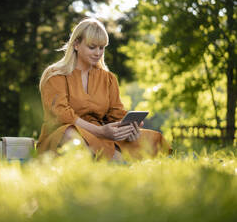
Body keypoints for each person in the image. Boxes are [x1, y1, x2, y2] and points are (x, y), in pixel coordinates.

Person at [37, 17, 171, 161]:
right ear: (76, 44)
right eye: (92, 47)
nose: (98, 53)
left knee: (153, 138)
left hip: (102, 135)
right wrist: (100, 131)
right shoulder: (56, 75)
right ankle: (116, 161)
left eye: (102, 48)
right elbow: (62, 115)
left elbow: (115, 113)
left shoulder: (108, 78)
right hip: (61, 134)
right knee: (71, 133)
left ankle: (119, 160)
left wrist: (129, 127)